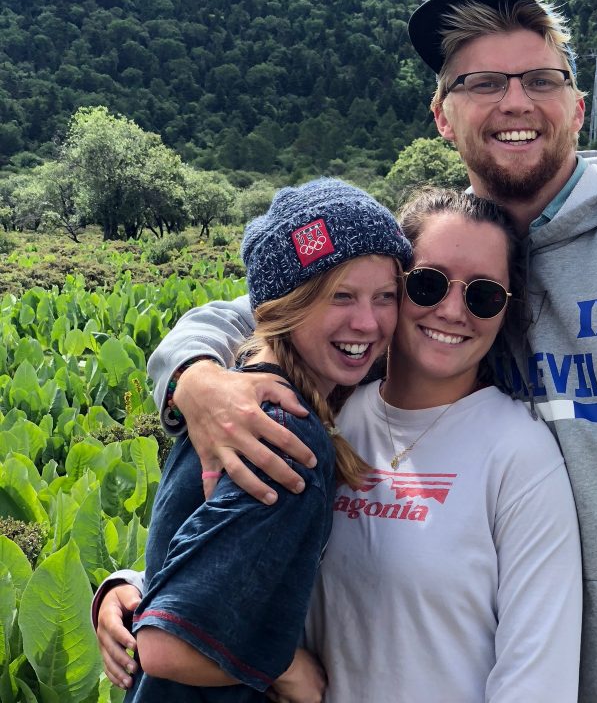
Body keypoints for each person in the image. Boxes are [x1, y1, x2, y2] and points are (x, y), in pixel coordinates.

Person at [104, 0, 597, 703]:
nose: (515, 102)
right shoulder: (418, 252)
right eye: (482, 83)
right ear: (442, 118)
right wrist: (194, 377)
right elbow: (277, 309)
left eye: (540, 79)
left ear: (576, 107)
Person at [96, 187, 583, 703]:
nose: (452, 311)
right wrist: (137, 588)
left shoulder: (519, 455)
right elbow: (244, 557)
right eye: (426, 284)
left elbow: (536, 679)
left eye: (483, 295)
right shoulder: (317, 413)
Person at [103, 177, 413, 701]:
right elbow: (168, 646)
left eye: (386, 296)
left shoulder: (240, 388)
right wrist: (285, 668)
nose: (367, 321)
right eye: (340, 296)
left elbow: (208, 551)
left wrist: (134, 585)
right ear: (286, 306)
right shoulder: (276, 429)